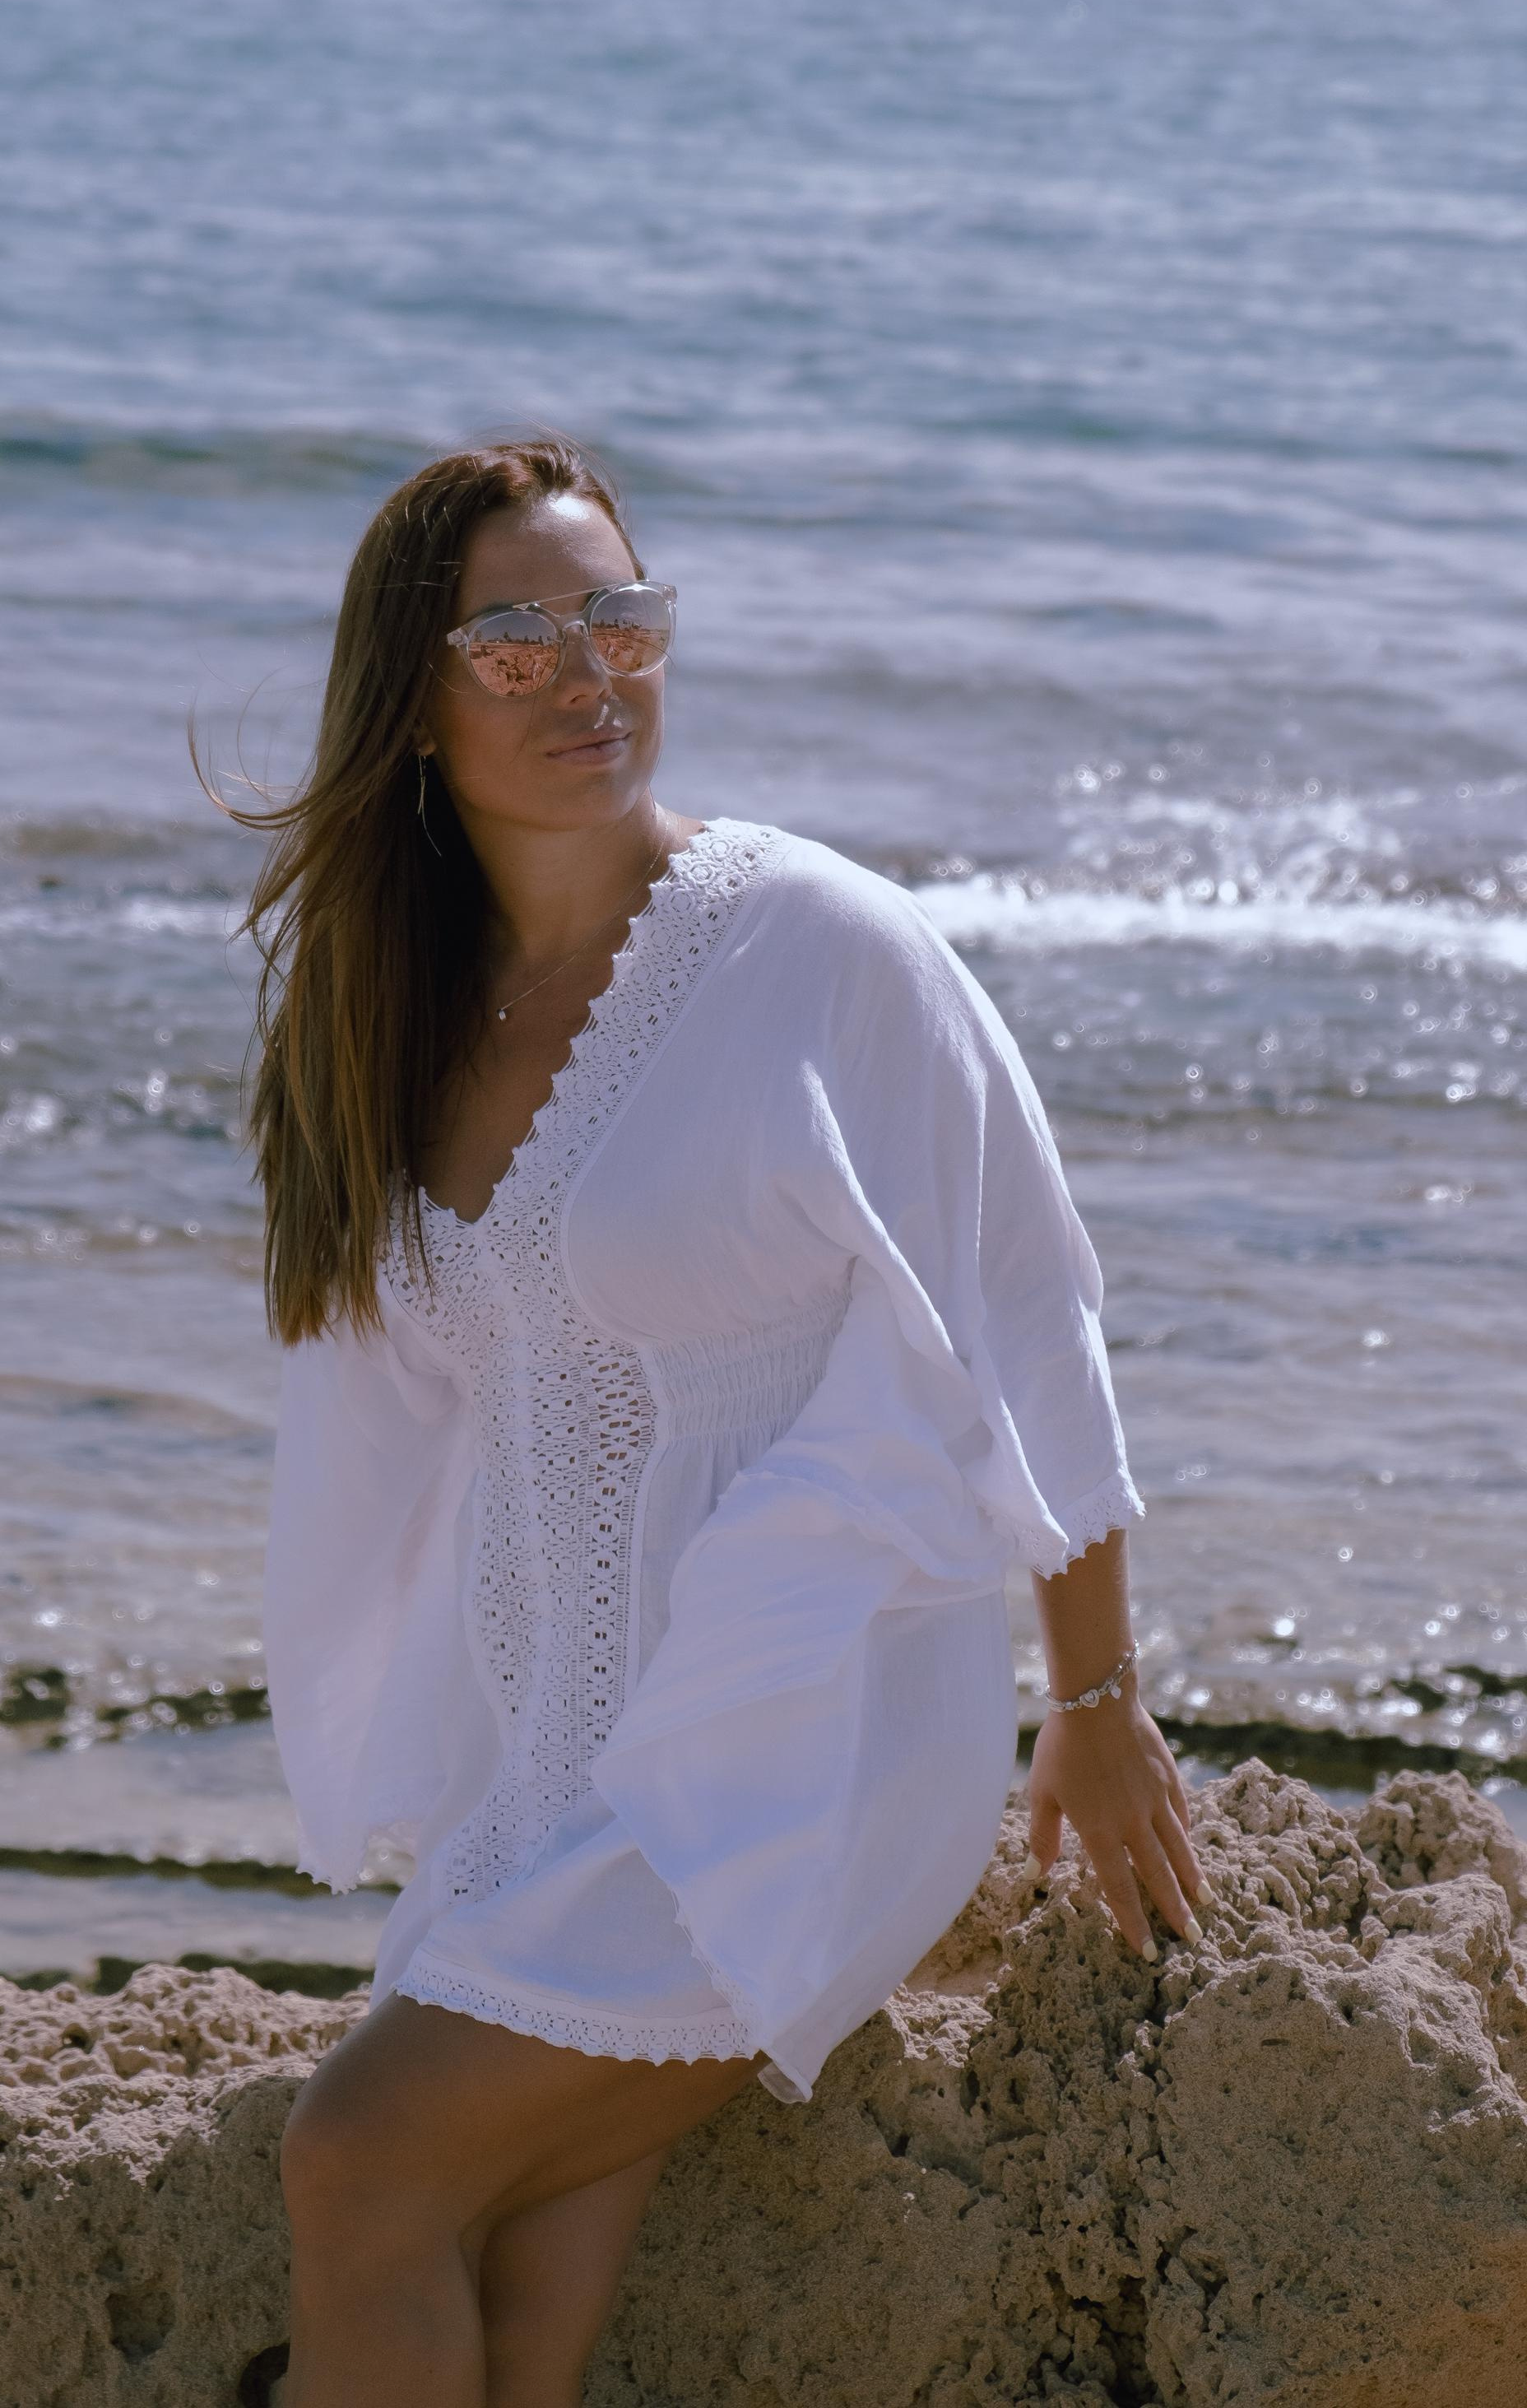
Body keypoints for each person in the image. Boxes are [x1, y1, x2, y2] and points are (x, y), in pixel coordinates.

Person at [210, 434, 1206, 2408]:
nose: (588, 675)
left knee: (359, 2163)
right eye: (516, 642)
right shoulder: (393, 1008)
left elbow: (1023, 1310)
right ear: (412, 698)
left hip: (784, 1747)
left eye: (622, 618)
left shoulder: (819, 949)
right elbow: (430, 1428)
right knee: (513, 2282)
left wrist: (1092, 1702)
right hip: (542, 1772)